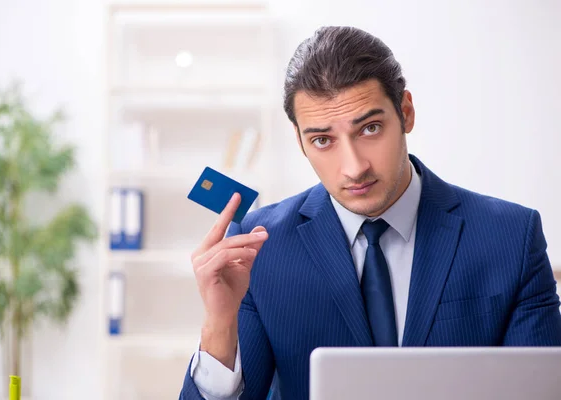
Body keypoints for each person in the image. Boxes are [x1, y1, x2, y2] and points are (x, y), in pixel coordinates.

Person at [179, 26, 561, 400]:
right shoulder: (261, 246)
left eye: (370, 128)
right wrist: (219, 324)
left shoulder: (512, 237)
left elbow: (539, 391)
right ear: (300, 141)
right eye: (323, 140)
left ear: (406, 113)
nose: (354, 167)